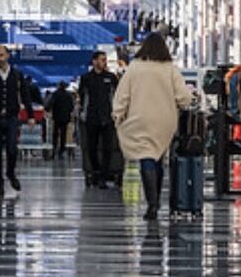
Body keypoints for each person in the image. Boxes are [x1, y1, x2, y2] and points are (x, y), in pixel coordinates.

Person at [111, 33, 194, 221]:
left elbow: (122, 95)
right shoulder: (170, 69)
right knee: (157, 156)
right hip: (165, 120)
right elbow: (184, 97)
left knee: (145, 157)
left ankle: (152, 204)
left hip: (139, 118)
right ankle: (155, 200)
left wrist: (118, 113)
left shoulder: (135, 68)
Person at [0, 45, 32, 196]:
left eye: (1, 55)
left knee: (11, 149)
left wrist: (30, 115)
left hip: (11, 117)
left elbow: (25, 94)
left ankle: (10, 172)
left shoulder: (16, 74)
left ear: (8, 56)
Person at [78, 52, 121, 188]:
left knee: (108, 148)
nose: (105, 62)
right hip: (91, 118)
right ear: (94, 61)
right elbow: (82, 97)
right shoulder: (86, 78)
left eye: (105, 60)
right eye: (102, 60)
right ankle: (95, 172)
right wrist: (82, 113)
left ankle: (103, 176)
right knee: (91, 147)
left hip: (108, 118)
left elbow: (117, 95)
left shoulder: (111, 78)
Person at [47, 81, 75, 160]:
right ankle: (61, 151)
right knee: (63, 135)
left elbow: (50, 103)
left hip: (56, 117)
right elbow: (71, 106)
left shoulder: (55, 94)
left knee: (55, 134)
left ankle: (54, 149)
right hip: (65, 117)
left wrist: (48, 110)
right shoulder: (68, 95)